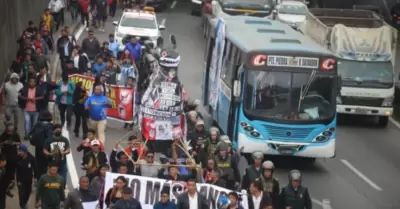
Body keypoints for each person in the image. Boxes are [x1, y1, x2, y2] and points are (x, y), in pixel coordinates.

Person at [29, 110, 53, 177]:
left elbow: (30, 134)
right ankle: (43, 179)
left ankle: (37, 177)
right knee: (45, 164)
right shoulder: (49, 126)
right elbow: (49, 138)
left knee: (38, 163)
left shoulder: (37, 124)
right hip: (45, 148)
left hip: (37, 147)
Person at [0, 122, 21, 195]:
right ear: (7, 127)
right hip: (5, 154)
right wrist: (4, 142)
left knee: (12, 167)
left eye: (11, 126)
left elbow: (19, 143)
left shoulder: (15, 134)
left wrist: (14, 143)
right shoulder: (4, 134)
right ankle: (6, 181)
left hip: (13, 153)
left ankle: (11, 181)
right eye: (9, 126)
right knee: (5, 168)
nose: (11, 128)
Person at [16, 144, 37, 209]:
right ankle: (23, 206)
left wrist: (35, 177)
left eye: (20, 151)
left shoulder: (31, 158)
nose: (19, 152)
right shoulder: (18, 158)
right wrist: (18, 181)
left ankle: (24, 203)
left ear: (25, 152)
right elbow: (17, 171)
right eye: (19, 151)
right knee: (22, 195)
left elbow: (35, 168)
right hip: (21, 181)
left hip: (29, 180)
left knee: (28, 193)